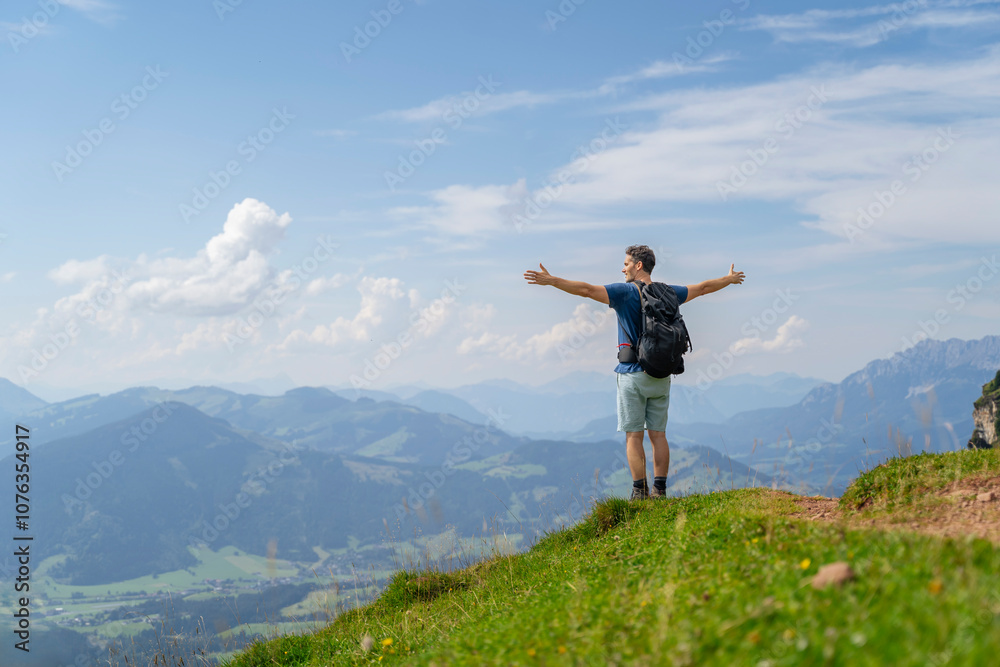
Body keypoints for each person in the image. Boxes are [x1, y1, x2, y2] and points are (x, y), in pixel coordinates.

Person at [524, 244, 745, 500]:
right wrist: (729, 280)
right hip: (662, 374)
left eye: (626, 263)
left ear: (638, 265)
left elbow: (586, 290)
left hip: (631, 373)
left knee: (634, 436)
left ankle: (640, 492)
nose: (623, 268)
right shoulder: (669, 292)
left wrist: (552, 281)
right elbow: (704, 288)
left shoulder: (625, 292)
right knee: (659, 435)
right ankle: (660, 491)